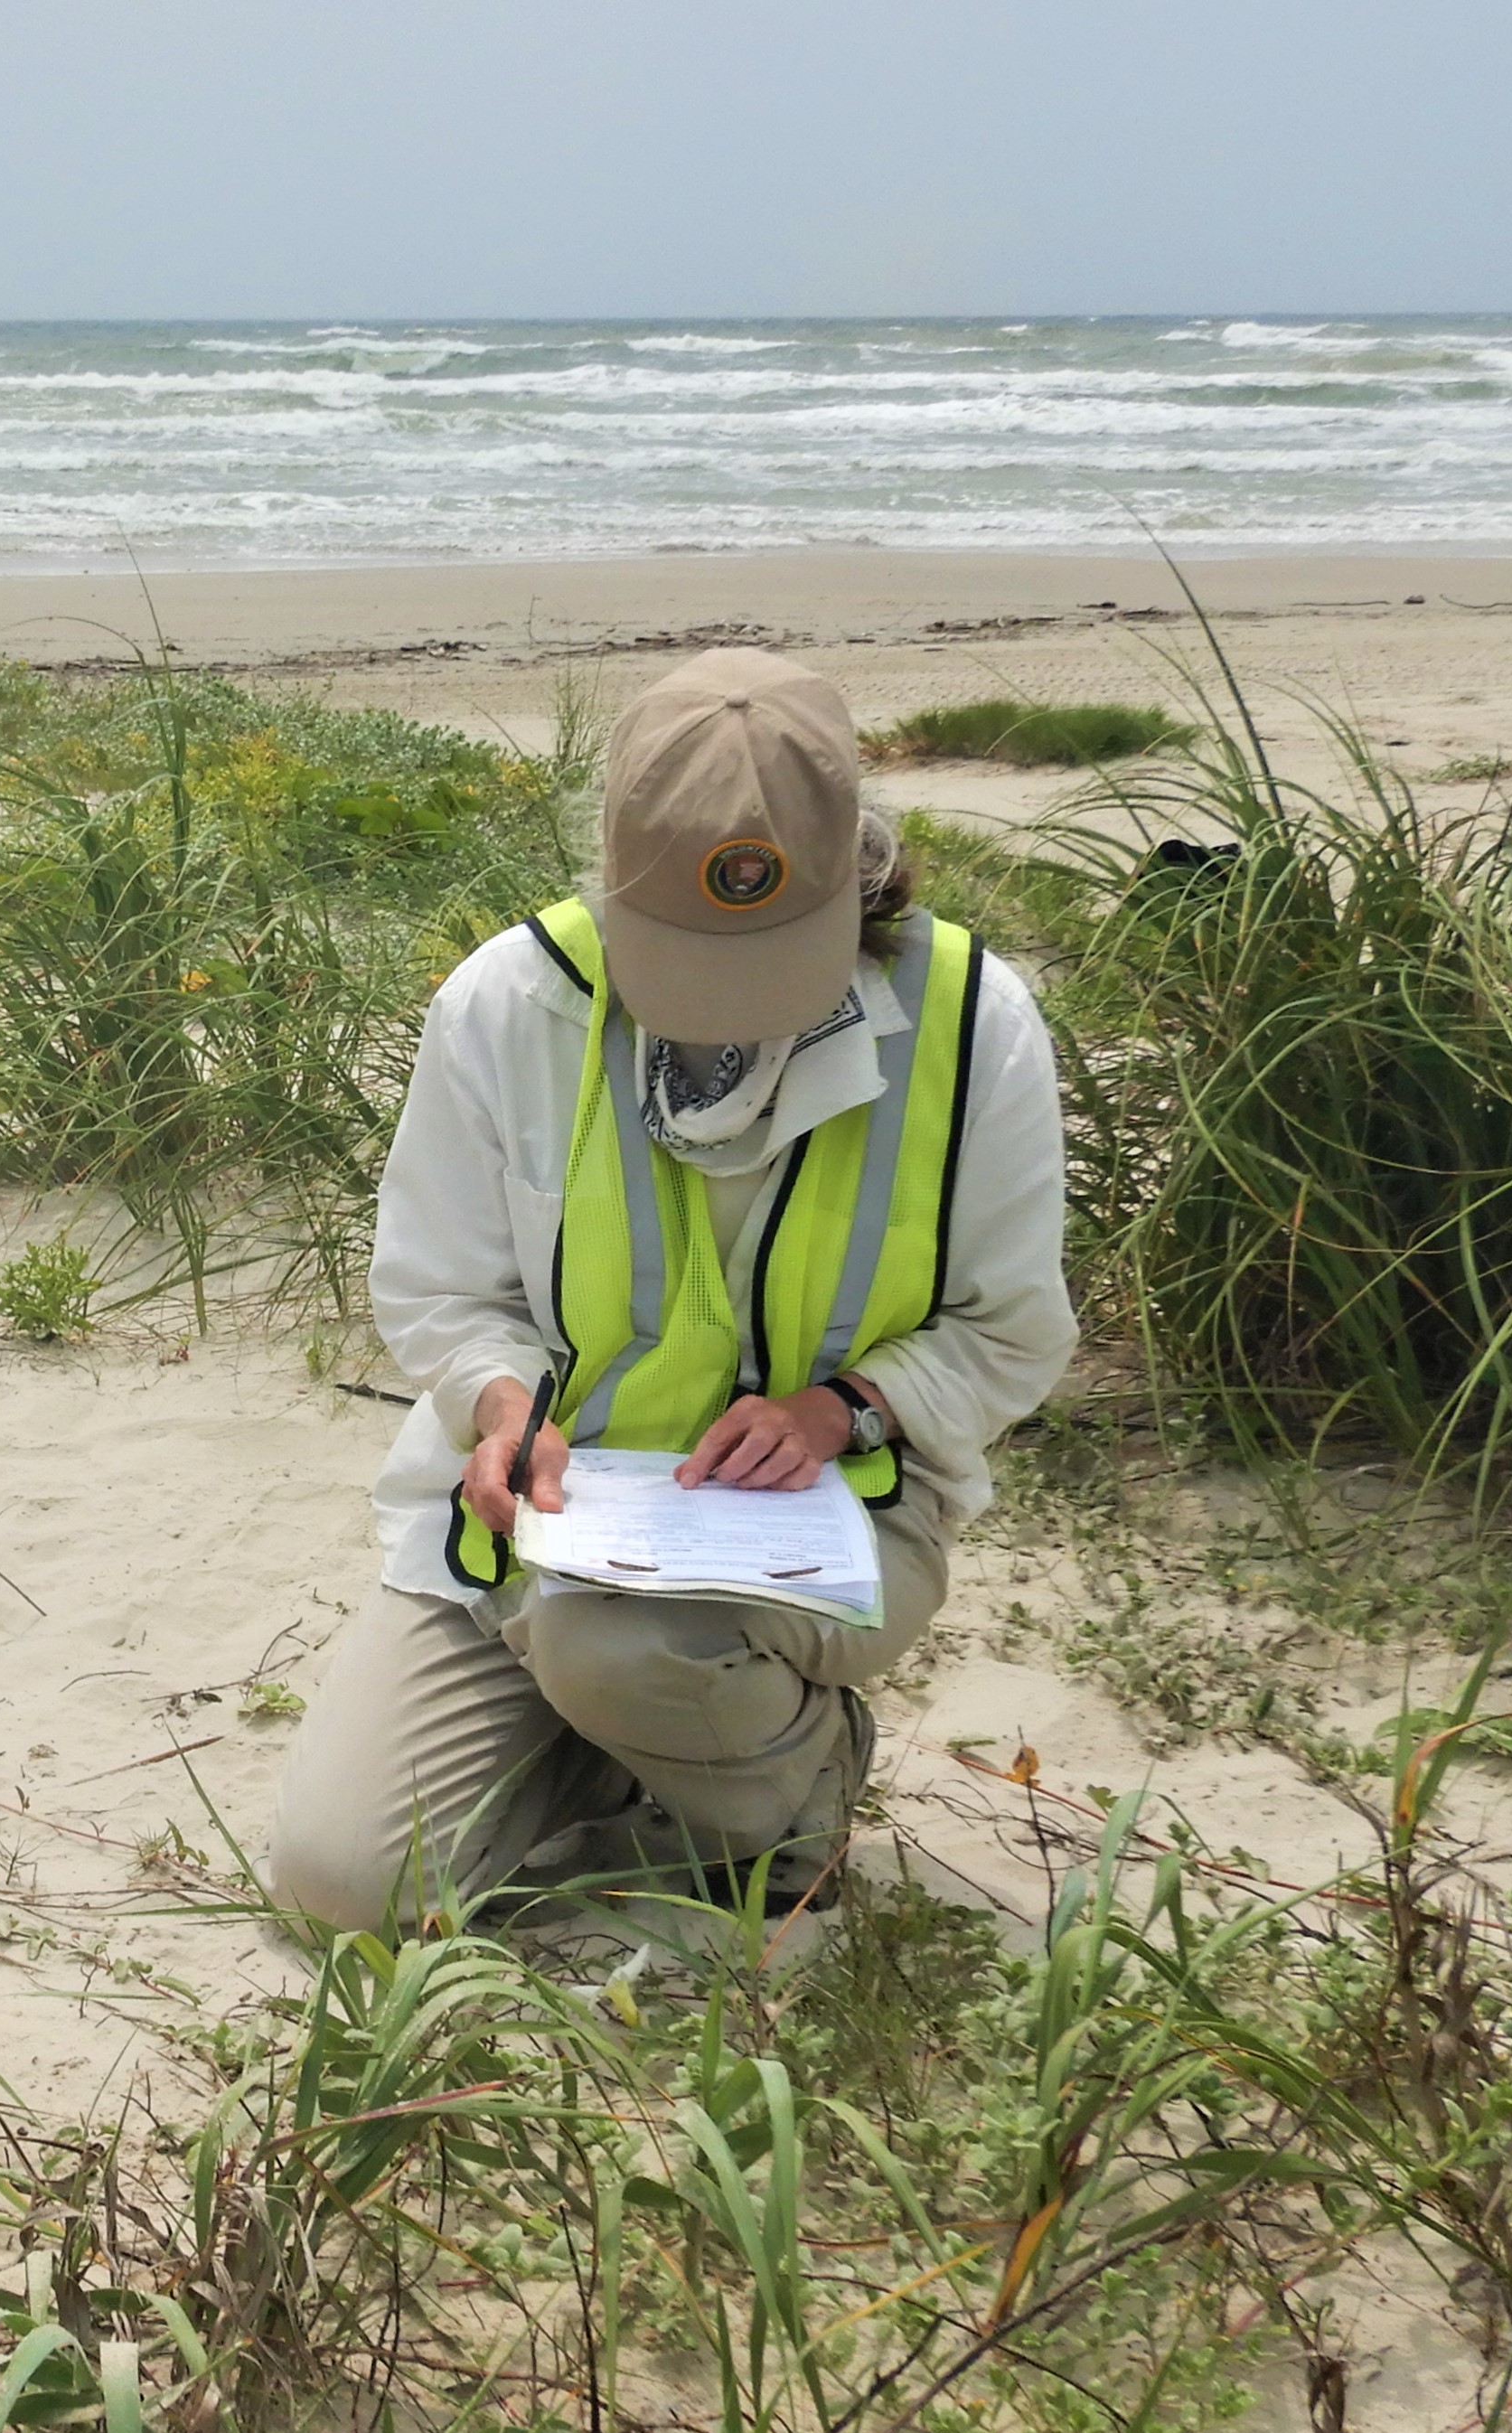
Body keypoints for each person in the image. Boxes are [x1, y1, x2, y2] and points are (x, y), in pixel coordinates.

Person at [268, 651, 1075, 1930]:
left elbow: (1010, 1331)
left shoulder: (976, 1021)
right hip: (537, 1525)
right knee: (343, 1885)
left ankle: (786, 1784)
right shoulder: (504, 999)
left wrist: (845, 1407)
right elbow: (436, 1289)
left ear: (858, 877)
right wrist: (494, 1408)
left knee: (619, 1648)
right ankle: (639, 1741)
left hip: (824, 1522)